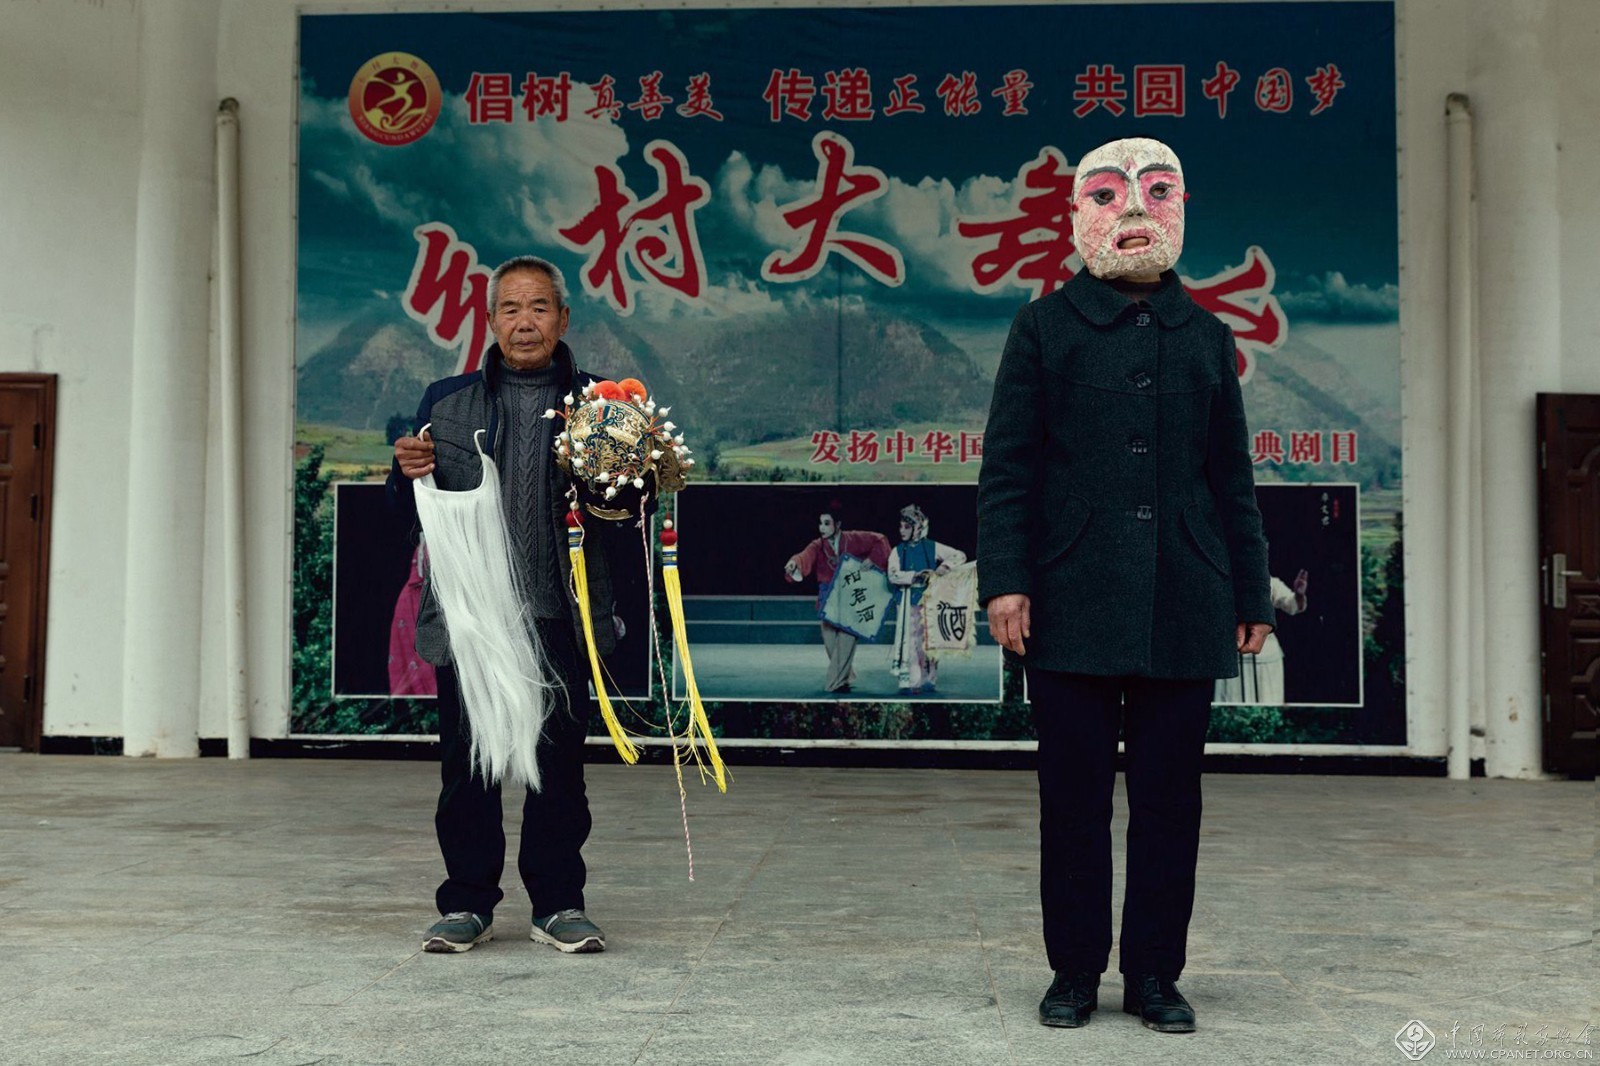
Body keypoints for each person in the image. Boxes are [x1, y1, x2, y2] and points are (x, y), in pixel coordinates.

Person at [977, 138, 1275, 1034]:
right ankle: (1073, 971)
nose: (1136, 211)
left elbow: (1232, 479)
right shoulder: (1044, 329)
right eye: (1110, 195)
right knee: (1071, 803)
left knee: (1169, 804)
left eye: (1157, 192)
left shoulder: (1207, 338)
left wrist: (1250, 594)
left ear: (1182, 209)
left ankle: (1155, 976)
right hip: (1067, 596)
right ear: (1077, 214)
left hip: (1186, 597)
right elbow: (1008, 469)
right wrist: (1006, 583)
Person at [389, 255, 622, 956]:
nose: (526, 322)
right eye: (512, 309)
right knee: (469, 768)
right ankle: (466, 903)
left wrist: (627, 481)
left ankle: (558, 904)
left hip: (560, 616)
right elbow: (412, 508)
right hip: (474, 622)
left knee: (560, 771)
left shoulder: (603, 405)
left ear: (563, 319)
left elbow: (626, 513)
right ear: (490, 321)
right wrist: (403, 472)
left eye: (539, 308)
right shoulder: (447, 403)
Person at [783, 503, 891, 694]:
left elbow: (880, 540)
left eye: (827, 523)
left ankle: (834, 683)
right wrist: (794, 563)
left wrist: (872, 560)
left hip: (849, 599)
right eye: (820, 523)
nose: (822, 528)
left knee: (846, 641)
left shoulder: (853, 539)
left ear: (838, 525)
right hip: (828, 600)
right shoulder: (818, 545)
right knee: (832, 644)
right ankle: (846, 676)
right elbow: (804, 556)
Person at [887, 504, 968, 695]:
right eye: (901, 527)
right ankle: (912, 680)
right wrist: (915, 575)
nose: (902, 531)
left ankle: (930, 679)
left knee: (930, 638)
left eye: (907, 527)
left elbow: (959, 555)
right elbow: (892, 574)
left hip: (930, 599)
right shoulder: (897, 551)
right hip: (907, 599)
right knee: (910, 640)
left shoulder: (932, 547)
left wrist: (943, 568)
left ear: (918, 528)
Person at [1213, 570, 1309, 705]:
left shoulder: (1268, 582)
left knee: (1268, 703)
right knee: (1231, 705)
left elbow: (1291, 605)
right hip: (1232, 657)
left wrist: (1299, 595)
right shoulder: (1223, 582)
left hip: (1265, 657)